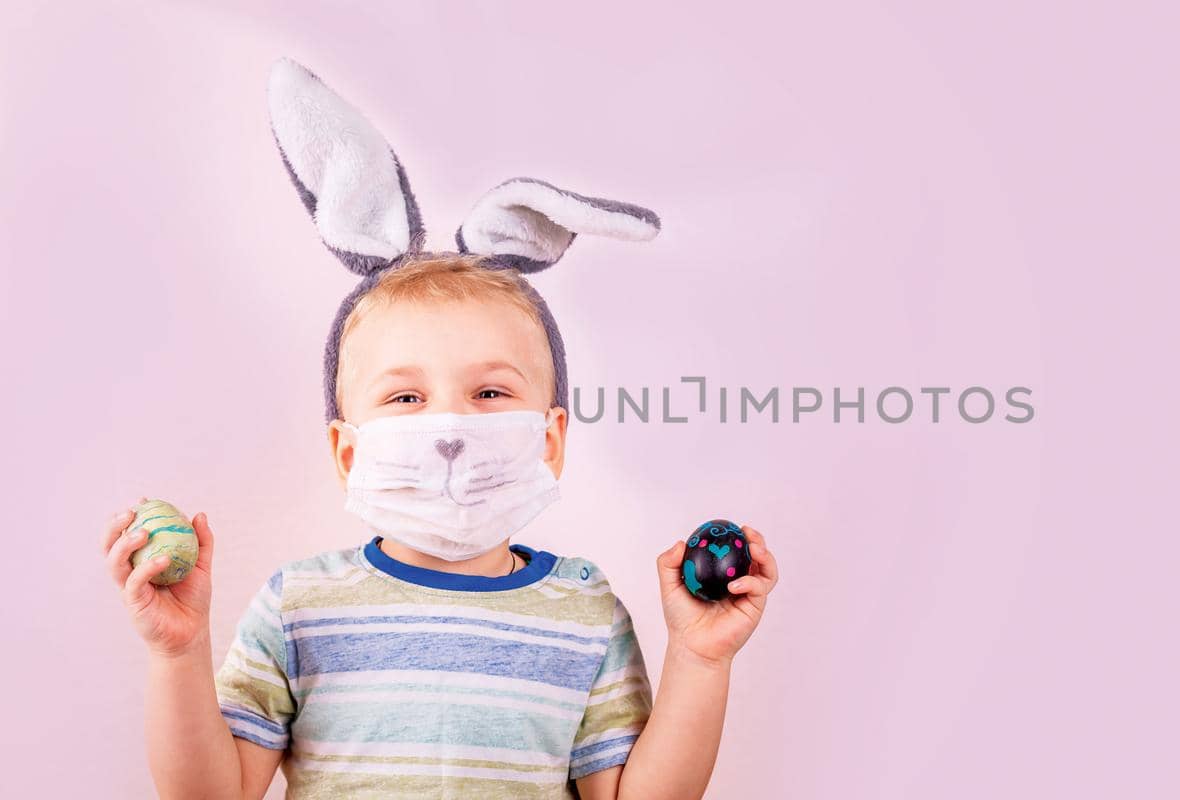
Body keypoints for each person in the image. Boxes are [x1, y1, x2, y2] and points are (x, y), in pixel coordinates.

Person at [99, 59, 779, 800]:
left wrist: (701, 661)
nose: (450, 424)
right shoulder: (300, 607)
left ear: (549, 438)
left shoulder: (585, 615)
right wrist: (179, 654)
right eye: (405, 399)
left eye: (489, 391)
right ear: (346, 451)